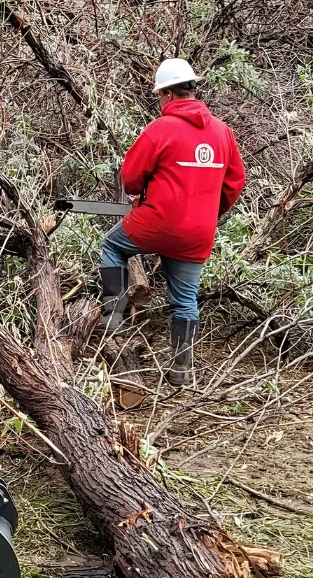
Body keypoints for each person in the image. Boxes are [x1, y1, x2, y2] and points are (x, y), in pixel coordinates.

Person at [99, 58, 245, 384]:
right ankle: (181, 370)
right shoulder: (222, 132)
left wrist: (145, 197)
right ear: (193, 89)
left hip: (156, 223)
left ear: (166, 94)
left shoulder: (160, 128)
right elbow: (235, 183)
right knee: (185, 301)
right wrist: (208, 212)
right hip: (198, 233)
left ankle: (113, 314)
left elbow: (131, 177)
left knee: (112, 245)